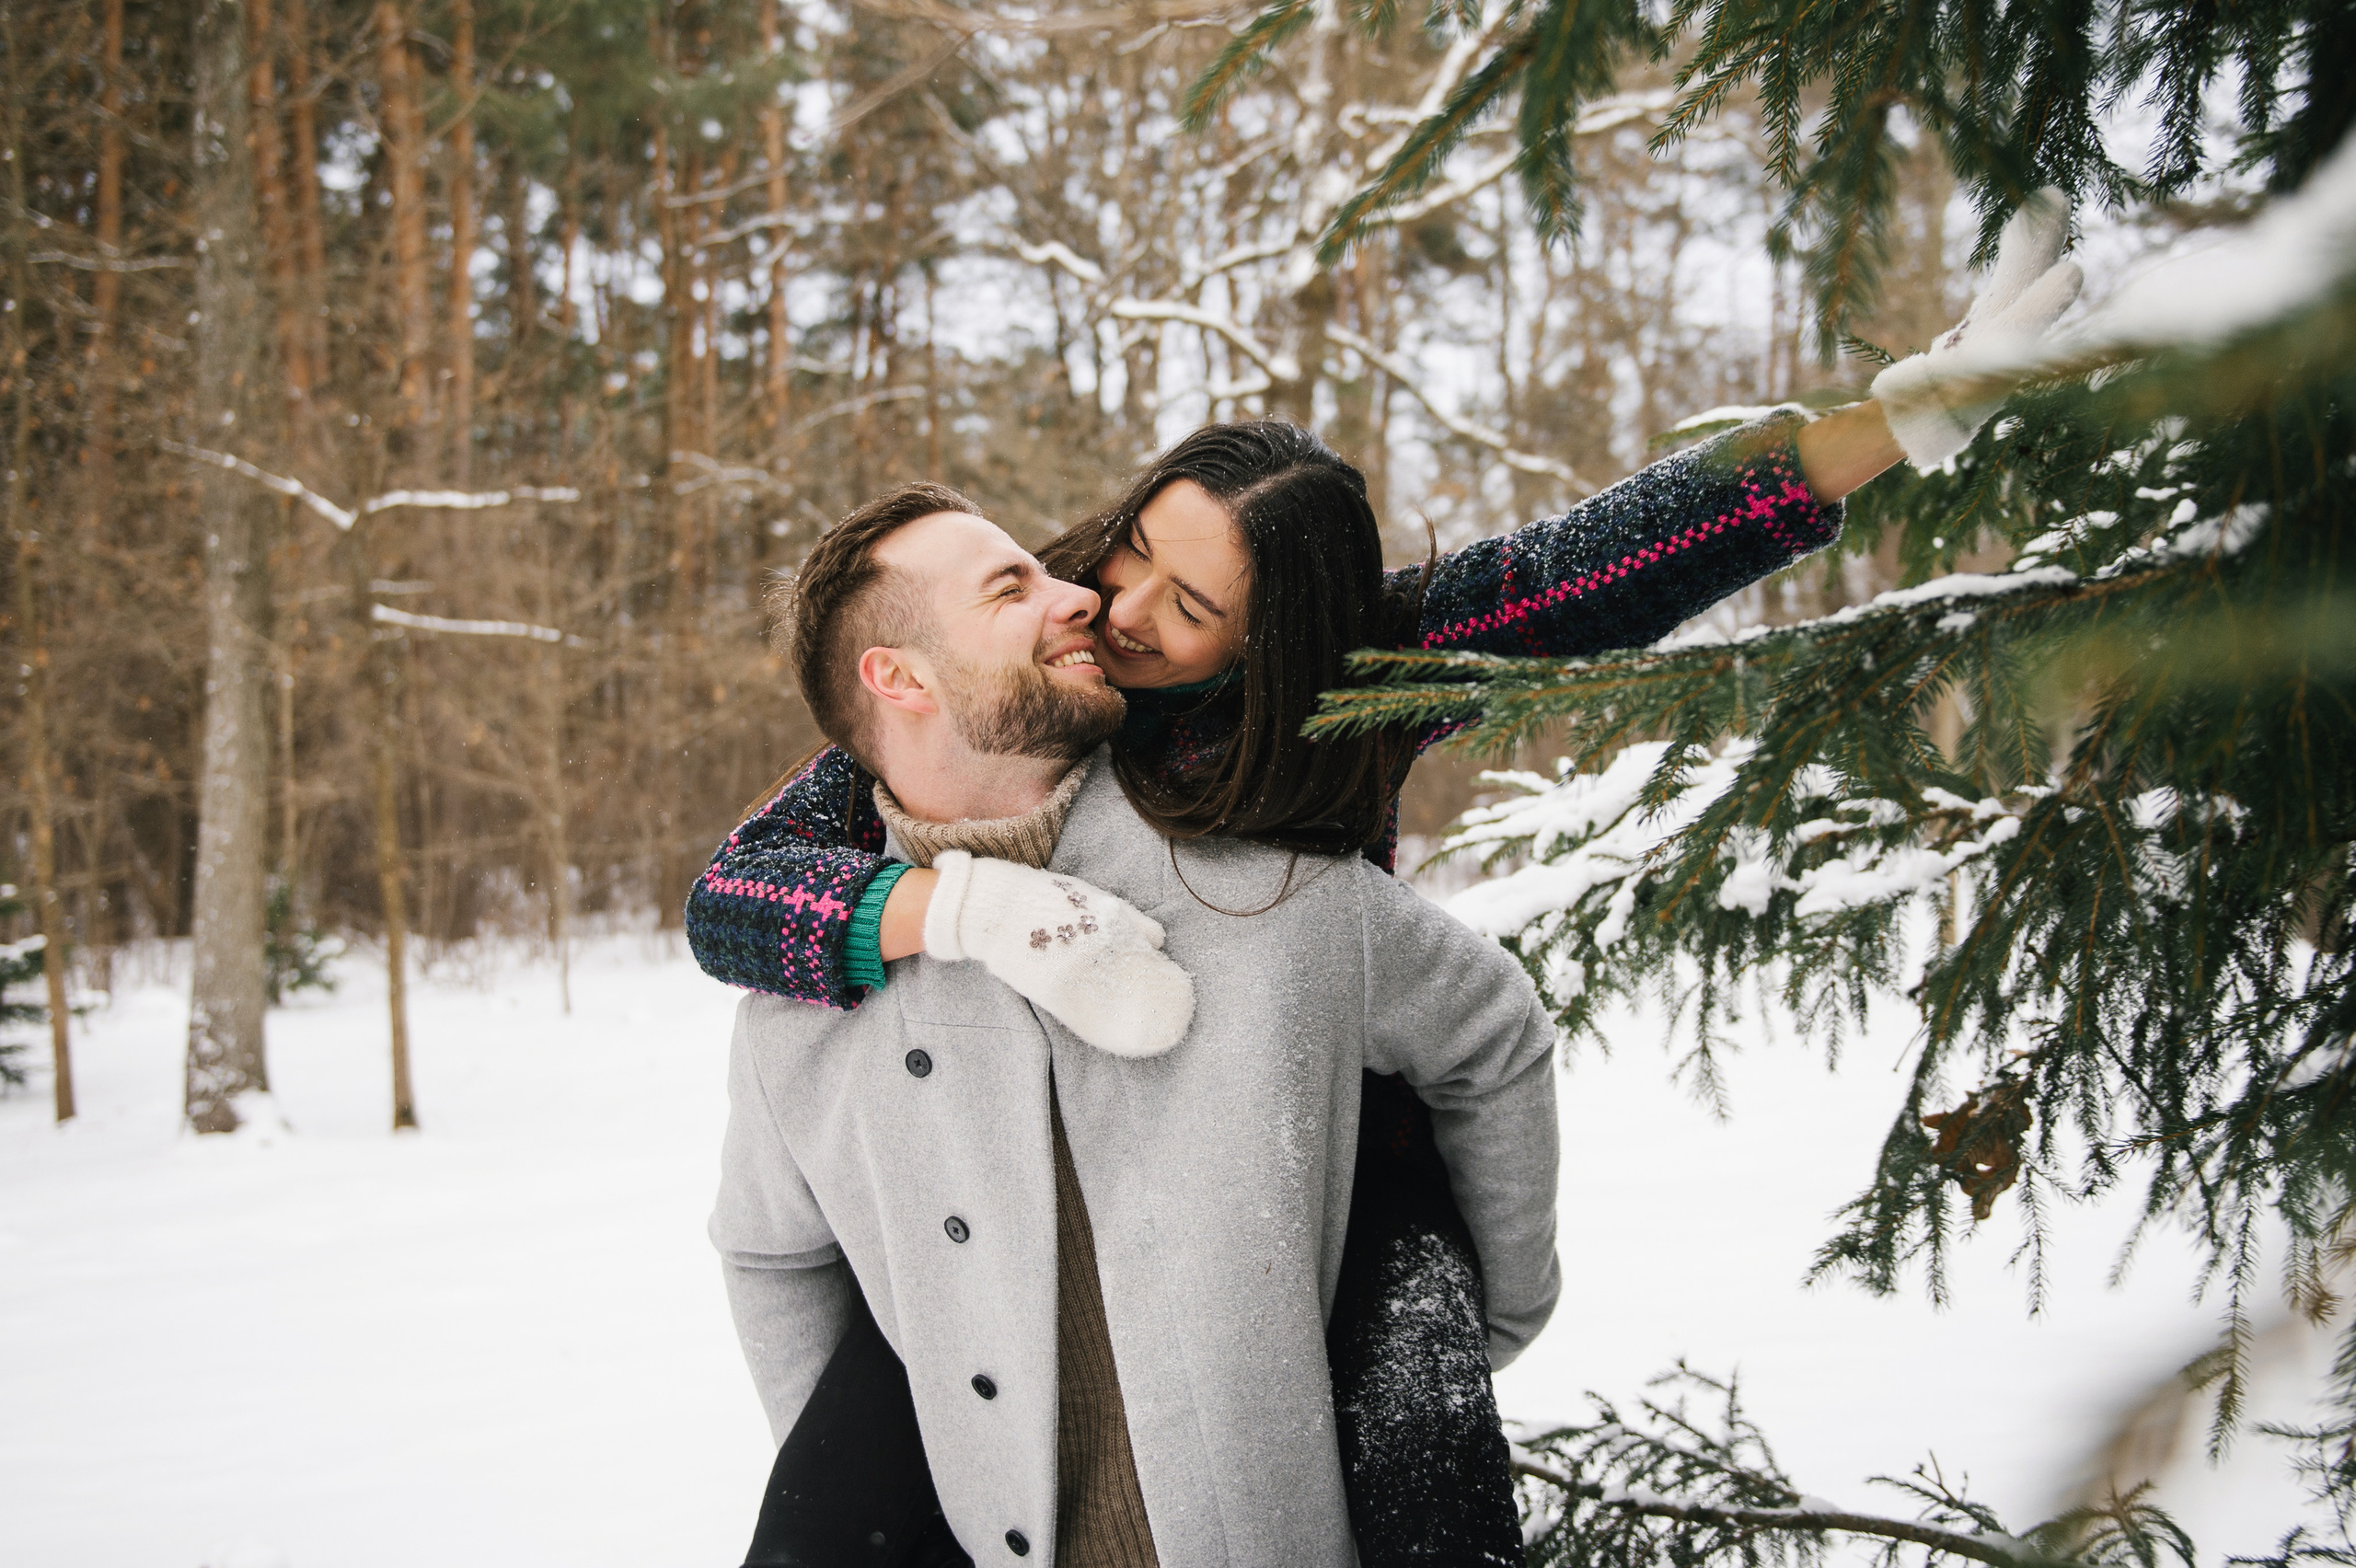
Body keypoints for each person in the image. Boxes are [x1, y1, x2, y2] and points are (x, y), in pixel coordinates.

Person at [693, 192, 2086, 1561]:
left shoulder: (1343, 689)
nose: (1116, 612)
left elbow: (1598, 569)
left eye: (1186, 609)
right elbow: (738, 890)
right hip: (1054, 1217)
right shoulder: (1040, 642)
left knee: (1415, 1461)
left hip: (1330, 1150)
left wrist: (1905, 419)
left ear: (1273, 644)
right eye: (1127, 553)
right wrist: (949, 909)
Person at [710, 487, 1562, 1567]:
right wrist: (917, 1465)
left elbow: (1492, 1037)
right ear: (899, 677)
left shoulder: (1264, 887)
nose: (1078, 597)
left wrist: (1484, 1312)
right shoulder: (803, 998)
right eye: (1008, 586)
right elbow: (769, 1254)